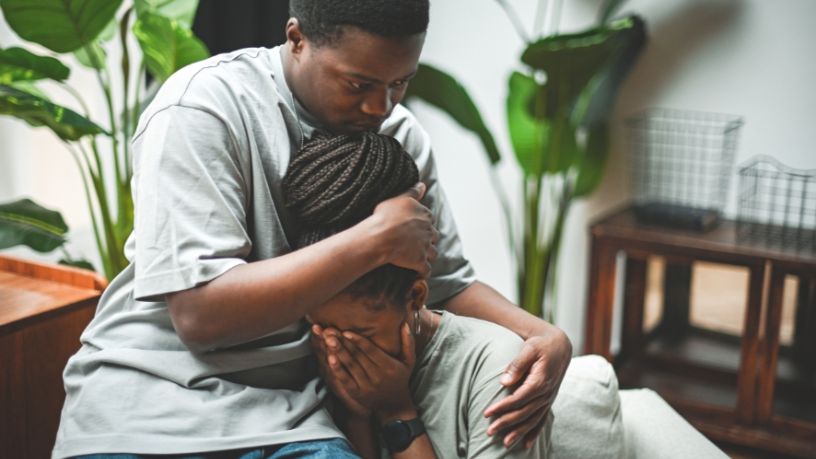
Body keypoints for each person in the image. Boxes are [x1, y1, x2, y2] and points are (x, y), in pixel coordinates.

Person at [53, 0, 571, 457]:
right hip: (147, 406)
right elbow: (199, 316)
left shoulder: (401, 138)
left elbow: (444, 282)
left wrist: (542, 332)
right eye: (359, 84)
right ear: (296, 38)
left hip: (293, 421)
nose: (381, 107)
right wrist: (375, 240)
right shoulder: (204, 107)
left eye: (399, 83)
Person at [283, 131, 553, 458]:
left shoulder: (498, 369)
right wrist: (355, 415)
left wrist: (396, 413)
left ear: (415, 297)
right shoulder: (312, 368)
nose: (338, 349)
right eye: (322, 330)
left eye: (360, 334)